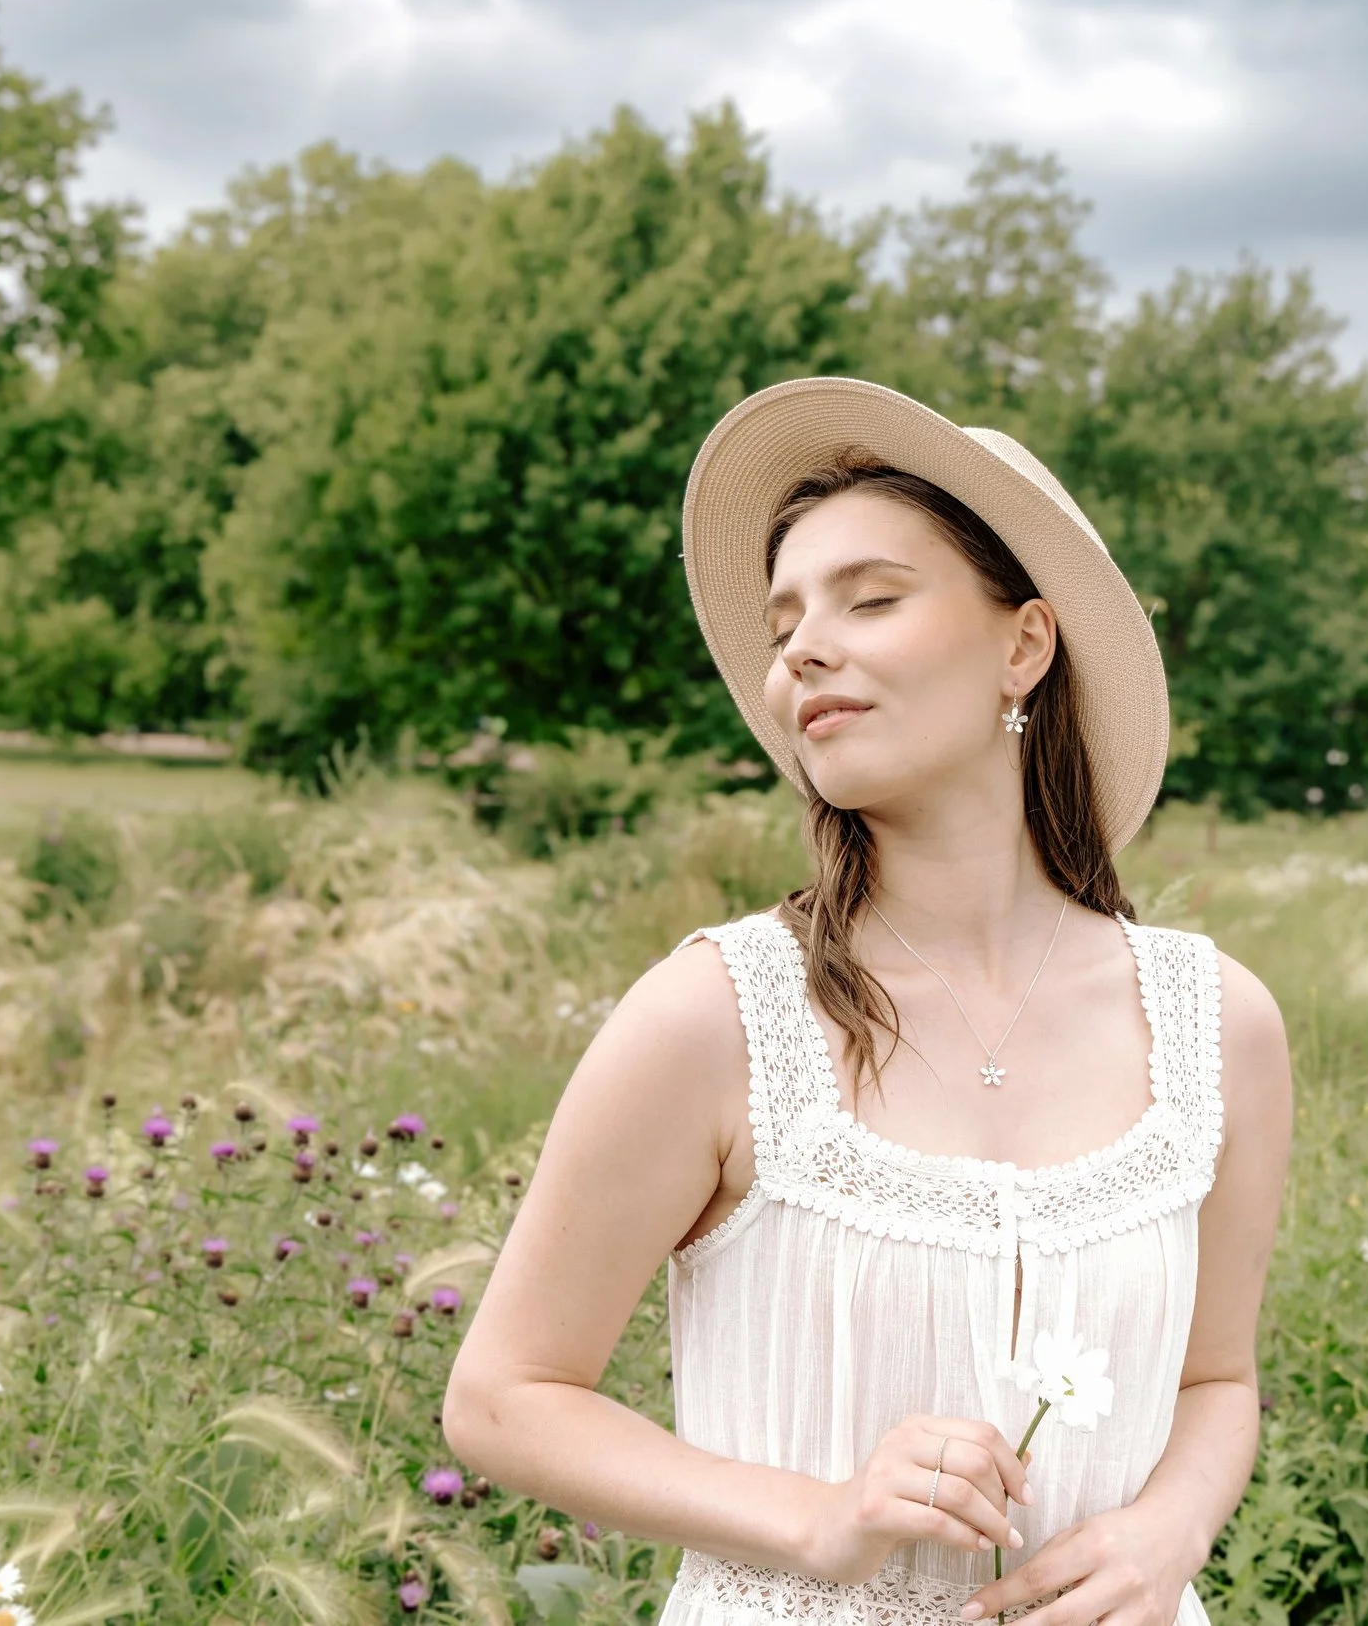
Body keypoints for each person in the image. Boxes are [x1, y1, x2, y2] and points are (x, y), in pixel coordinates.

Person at [444, 376, 1293, 1625]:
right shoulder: (714, 1017)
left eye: (871, 599)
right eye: (785, 622)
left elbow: (1217, 1380)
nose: (800, 650)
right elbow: (504, 1395)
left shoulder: (1217, 1023)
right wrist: (815, 1517)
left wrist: (1162, 1539)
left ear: (1024, 643)